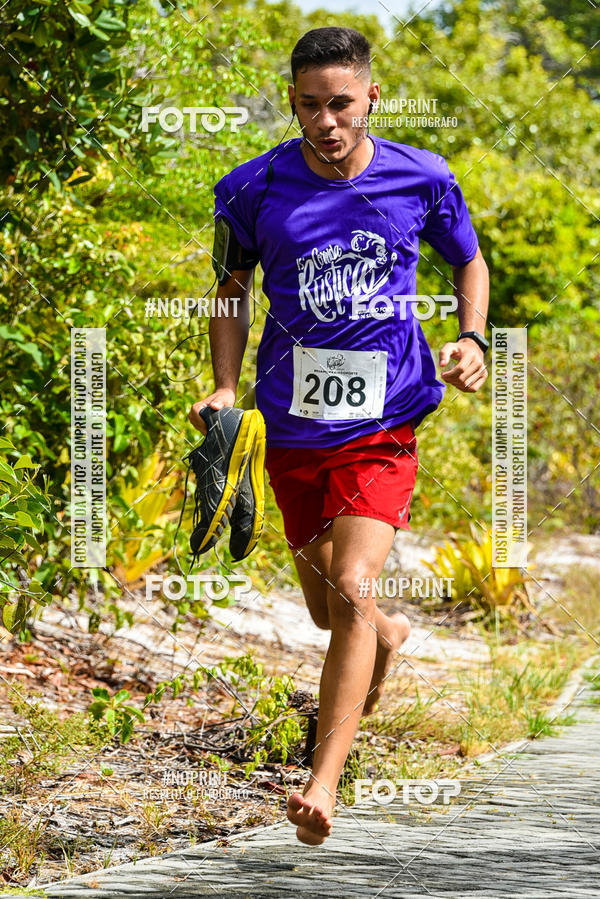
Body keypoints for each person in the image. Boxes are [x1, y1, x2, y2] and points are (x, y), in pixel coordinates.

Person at [189, 25, 489, 846]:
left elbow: (469, 260)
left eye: (343, 104)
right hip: (291, 425)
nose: (328, 121)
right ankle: (387, 636)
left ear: (372, 97)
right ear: (292, 101)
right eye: (312, 105)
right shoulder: (250, 188)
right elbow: (230, 286)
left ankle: (322, 782)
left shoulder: (422, 177)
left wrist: (472, 337)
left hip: (384, 420)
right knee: (332, 611)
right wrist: (225, 385)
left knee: (353, 586)